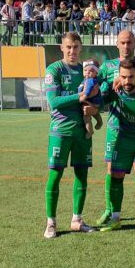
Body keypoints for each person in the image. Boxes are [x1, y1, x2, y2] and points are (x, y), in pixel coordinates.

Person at [96, 30, 135, 225]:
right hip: (116, 126)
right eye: (122, 42)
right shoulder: (107, 67)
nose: (126, 46)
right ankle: (110, 210)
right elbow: (96, 88)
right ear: (117, 44)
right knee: (111, 168)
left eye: (129, 42)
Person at [43, 32, 96, 239]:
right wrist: (79, 96)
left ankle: (77, 219)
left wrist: (93, 110)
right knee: (55, 175)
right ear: (61, 48)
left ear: (80, 48)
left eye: (75, 47)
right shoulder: (54, 69)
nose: (72, 51)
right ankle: (51, 222)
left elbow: (93, 98)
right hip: (61, 131)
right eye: (68, 47)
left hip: (83, 132)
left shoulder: (86, 72)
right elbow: (54, 101)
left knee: (82, 174)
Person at [79, 59, 103, 138]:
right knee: (95, 113)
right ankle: (100, 122)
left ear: (96, 73)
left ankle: (90, 131)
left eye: (91, 71)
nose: (87, 72)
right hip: (95, 102)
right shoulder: (87, 79)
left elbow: (87, 90)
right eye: (85, 70)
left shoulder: (90, 80)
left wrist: (84, 97)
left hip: (91, 101)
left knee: (86, 117)